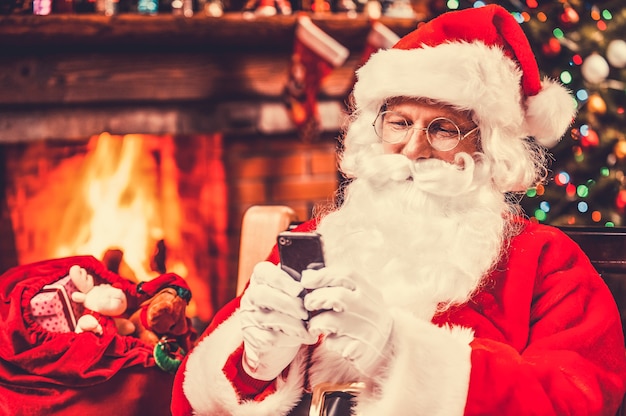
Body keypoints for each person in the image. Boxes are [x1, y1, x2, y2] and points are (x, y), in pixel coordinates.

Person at [171, 4, 626, 415]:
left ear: (489, 148)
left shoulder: (546, 259)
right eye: (400, 123)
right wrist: (251, 365)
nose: (412, 149)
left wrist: (401, 353)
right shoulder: (319, 238)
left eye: (444, 129)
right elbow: (191, 395)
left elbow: (576, 398)